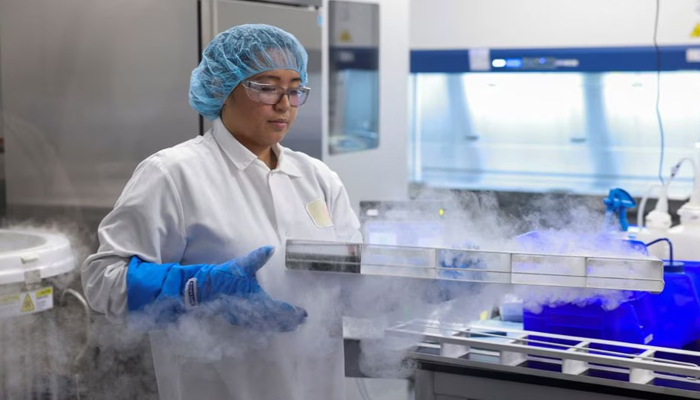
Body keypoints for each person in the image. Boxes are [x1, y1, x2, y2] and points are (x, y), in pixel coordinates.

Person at [81, 24, 362, 400]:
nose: (284, 103)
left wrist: (417, 284)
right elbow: (102, 282)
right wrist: (199, 288)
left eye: (294, 89)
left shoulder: (317, 177)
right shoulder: (173, 173)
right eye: (266, 86)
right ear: (223, 89)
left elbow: (351, 279)